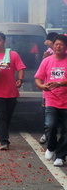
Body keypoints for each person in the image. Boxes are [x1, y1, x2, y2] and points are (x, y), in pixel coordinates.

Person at [35, 34, 67, 166]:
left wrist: (59, 84)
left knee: (66, 131)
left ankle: (61, 156)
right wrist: (42, 86)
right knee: (50, 125)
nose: (58, 46)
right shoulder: (46, 61)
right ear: (53, 46)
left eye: (61, 44)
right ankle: (51, 147)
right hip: (51, 99)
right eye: (56, 44)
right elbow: (38, 78)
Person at [39, 32, 58, 144]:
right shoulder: (48, 52)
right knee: (47, 115)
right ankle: (47, 134)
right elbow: (43, 68)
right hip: (49, 92)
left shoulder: (62, 53)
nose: (57, 46)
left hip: (62, 94)